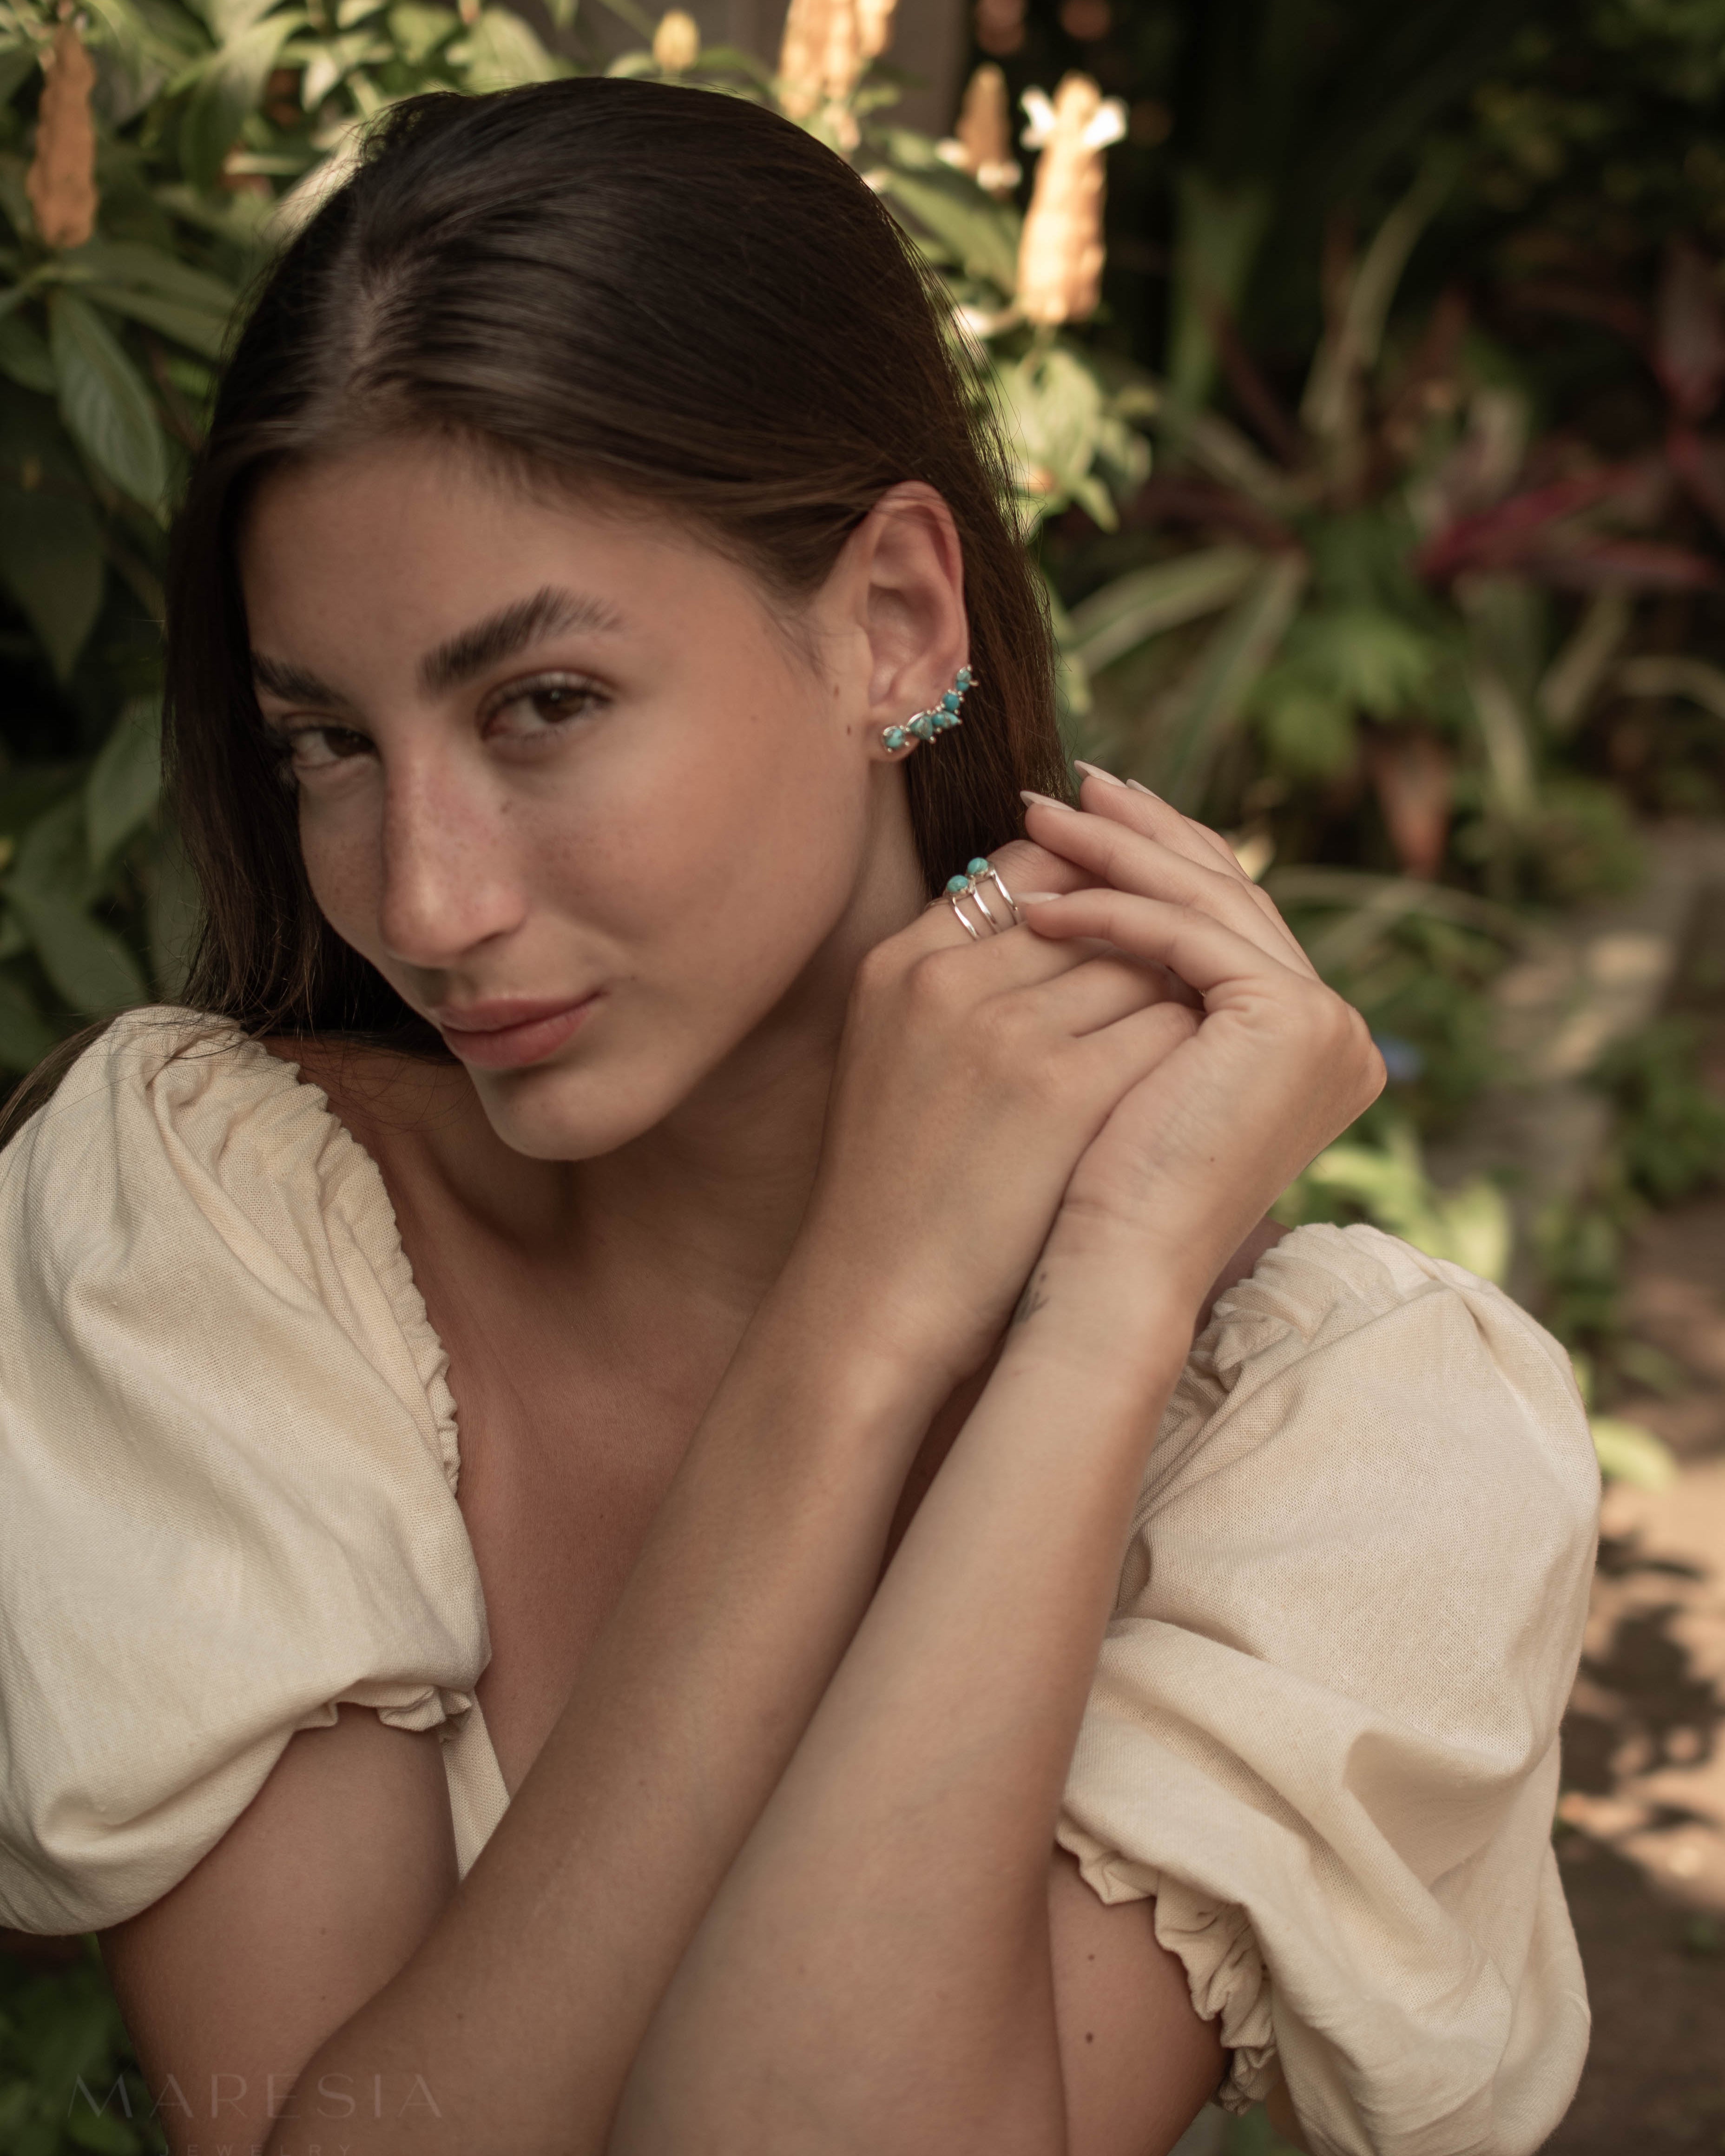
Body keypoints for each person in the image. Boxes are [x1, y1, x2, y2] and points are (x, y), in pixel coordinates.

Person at [0, 78, 1598, 2156]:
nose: (423, 897)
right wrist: (859, 1328)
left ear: (893, 624)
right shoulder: (212, 1229)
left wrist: (1095, 1311)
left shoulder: (1333, 1446)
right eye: (327, 739)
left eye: (541, 703)